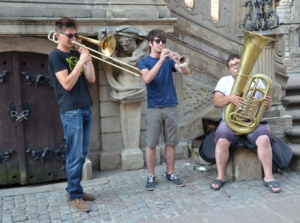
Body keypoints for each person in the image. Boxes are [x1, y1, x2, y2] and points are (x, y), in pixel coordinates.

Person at [211, 54, 281, 193]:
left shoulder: (257, 80)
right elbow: (216, 102)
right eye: (232, 65)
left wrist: (267, 104)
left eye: (238, 63)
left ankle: (269, 177)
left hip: (252, 121)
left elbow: (263, 106)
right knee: (221, 142)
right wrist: (229, 98)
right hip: (231, 121)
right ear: (228, 69)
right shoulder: (224, 81)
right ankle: (220, 176)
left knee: (264, 140)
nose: (236, 66)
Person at [48, 17, 96, 212]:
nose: (74, 38)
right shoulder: (55, 56)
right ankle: (74, 196)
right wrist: (80, 62)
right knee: (74, 155)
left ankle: (74, 189)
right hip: (71, 110)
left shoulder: (77, 53)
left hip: (85, 106)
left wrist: (88, 59)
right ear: (59, 35)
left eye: (75, 34)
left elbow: (91, 79)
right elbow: (66, 84)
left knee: (82, 154)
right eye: (69, 35)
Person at [138, 29, 190, 191]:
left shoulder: (168, 61)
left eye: (163, 41)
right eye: (157, 41)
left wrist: (179, 60)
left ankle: (170, 173)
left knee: (171, 143)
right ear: (150, 43)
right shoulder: (144, 61)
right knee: (151, 144)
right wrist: (160, 61)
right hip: (154, 107)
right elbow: (147, 78)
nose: (161, 44)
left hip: (171, 106)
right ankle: (151, 176)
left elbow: (186, 72)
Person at [98, 25, 148, 103]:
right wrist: (107, 31)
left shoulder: (143, 48)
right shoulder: (118, 50)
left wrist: (117, 30)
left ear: (133, 40)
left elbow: (132, 61)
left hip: (140, 89)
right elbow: (105, 58)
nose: (125, 48)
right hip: (122, 88)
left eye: (127, 45)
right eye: (123, 46)